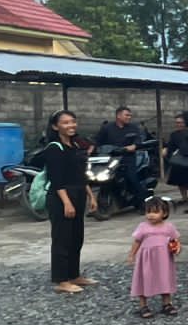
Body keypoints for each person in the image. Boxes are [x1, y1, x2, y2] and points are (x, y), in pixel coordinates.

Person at [45, 109, 97, 295]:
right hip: (61, 197)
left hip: (78, 193)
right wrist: (67, 203)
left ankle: (74, 275)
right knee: (62, 239)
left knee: (76, 237)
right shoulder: (54, 148)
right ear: (55, 126)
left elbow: (80, 175)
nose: (70, 125)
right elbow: (56, 179)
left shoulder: (75, 145)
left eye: (73, 122)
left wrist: (91, 196)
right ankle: (61, 280)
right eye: (65, 122)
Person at [129, 196, 182, 317]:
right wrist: (132, 255)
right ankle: (143, 305)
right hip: (146, 259)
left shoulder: (168, 227)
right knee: (144, 279)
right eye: (148, 212)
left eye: (155, 212)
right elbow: (137, 241)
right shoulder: (143, 227)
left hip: (164, 259)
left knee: (165, 278)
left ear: (165, 213)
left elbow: (175, 240)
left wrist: (177, 248)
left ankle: (167, 303)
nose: (151, 215)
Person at [96, 105, 146, 213]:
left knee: (132, 178)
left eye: (130, 115)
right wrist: (92, 148)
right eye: (126, 115)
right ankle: (98, 206)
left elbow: (139, 140)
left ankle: (142, 204)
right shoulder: (107, 128)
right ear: (118, 116)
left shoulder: (133, 127)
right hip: (110, 159)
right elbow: (98, 141)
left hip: (127, 158)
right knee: (103, 180)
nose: (129, 117)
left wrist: (134, 146)